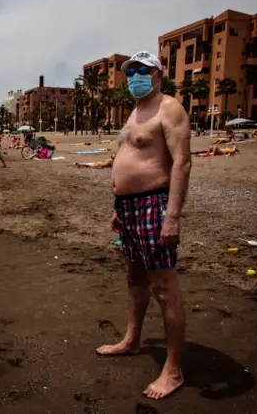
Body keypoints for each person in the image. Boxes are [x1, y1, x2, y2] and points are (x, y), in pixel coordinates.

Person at [98, 51, 191, 400]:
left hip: (155, 205)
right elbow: (132, 158)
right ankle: (132, 341)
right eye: (130, 71)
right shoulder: (136, 111)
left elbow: (182, 163)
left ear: (158, 74)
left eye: (142, 69)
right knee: (134, 279)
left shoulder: (169, 107)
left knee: (164, 288)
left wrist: (173, 216)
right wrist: (118, 208)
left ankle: (173, 369)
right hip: (128, 208)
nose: (135, 75)